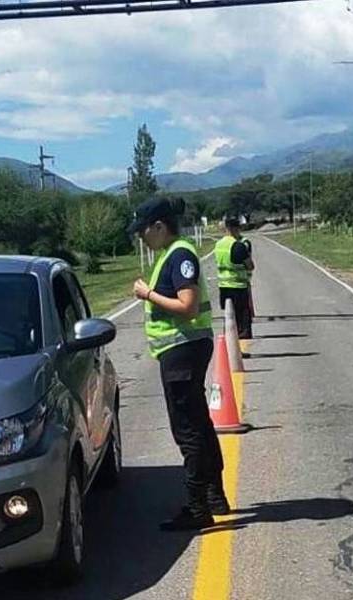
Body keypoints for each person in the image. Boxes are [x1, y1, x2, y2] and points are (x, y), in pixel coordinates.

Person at [128, 197, 229, 531]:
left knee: (187, 430)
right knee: (198, 424)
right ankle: (215, 495)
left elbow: (186, 305)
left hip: (182, 350)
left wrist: (147, 294)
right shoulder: (171, 254)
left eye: (143, 231)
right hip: (184, 350)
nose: (140, 238)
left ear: (159, 226)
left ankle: (198, 506)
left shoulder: (180, 255)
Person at [215, 216, 255, 339]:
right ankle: (242, 350)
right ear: (236, 228)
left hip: (223, 287)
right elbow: (250, 266)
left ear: (225, 228)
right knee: (242, 322)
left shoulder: (218, 245)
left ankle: (228, 347)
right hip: (238, 287)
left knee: (229, 318)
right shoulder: (238, 246)